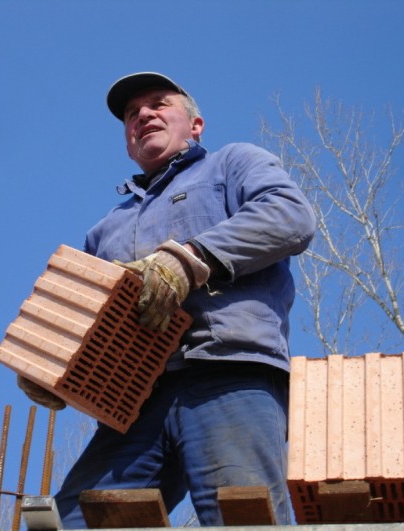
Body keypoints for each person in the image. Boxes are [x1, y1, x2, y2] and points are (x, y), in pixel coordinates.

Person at [18, 72, 316, 527]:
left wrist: (191, 259)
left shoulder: (231, 164)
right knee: (76, 521)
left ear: (195, 125)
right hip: (134, 404)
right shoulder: (106, 229)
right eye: (131, 115)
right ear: (128, 142)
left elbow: (289, 216)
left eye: (158, 104)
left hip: (228, 374)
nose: (142, 115)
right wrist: (54, 366)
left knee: (243, 517)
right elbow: (85, 312)